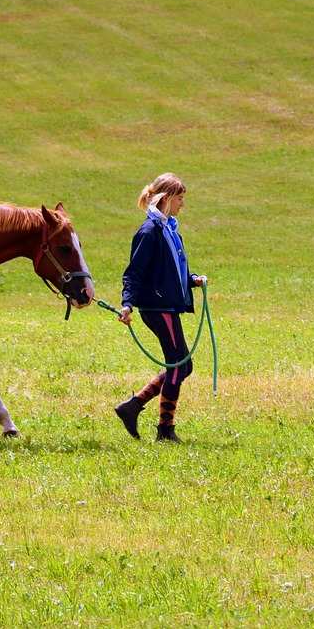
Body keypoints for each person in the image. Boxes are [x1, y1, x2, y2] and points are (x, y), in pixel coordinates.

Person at [113, 172, 208, 443]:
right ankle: (165, 431)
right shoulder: (149, 231)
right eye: (179, 199)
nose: (182, 204)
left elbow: (171, 271)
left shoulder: (168, 229)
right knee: (180, 365)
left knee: (183, 366)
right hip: (157, 309)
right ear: (166, 199)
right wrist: (128, 303)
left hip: (168, 306)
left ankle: (132, 407)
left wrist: (193, 280)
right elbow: (134, 272)